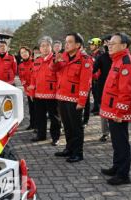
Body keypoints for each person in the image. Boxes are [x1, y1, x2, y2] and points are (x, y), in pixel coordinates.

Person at [100, 33, 131, 185]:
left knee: (121, 142)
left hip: (118, 112)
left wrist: (120, 112)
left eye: (113, 43)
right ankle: (116, 167)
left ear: (124, 46)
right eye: (109, 43)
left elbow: (126, 91)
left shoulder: (126, 63)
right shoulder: (117, 60)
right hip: (112, 109)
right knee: (116, 141)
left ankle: (123, 175)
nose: (109, 45)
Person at [51, 33, 93, 163]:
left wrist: (82, 101)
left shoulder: (85, 59)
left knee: (76, 127)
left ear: (78, 45)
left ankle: (78, 153)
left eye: (69, 42)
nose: (66, 44)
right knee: (67, 126)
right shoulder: (63, 57)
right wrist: (55, 62)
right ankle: (69, 149)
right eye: (66, 41)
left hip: (74, 99)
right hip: (62, 96)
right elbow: (53, 70)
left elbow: (85, 82)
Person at [29, 36, 61, 146]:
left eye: (47, 45)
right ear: (39, 48)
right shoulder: (37, 61)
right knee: (40, 117)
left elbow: (60, 77)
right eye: (42, 46)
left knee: (54, 118)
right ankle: (41, 135)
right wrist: (32, 93)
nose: (45, 48)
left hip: (52, 95)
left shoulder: (55, 60)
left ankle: (55, 137)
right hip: (38, 95)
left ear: (51, 47)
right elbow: (33, 78)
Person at [94, 35, 113, 142]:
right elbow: (93, 69)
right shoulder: (102, 57)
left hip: (116, 90)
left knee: (114, 112)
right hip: (103, 89)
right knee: (103, 112)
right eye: (105, 43)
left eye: (109, 42)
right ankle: (105, 133)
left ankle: (114, 132)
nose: (107, 44)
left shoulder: (119, 57)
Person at [18, 46, 36, 131]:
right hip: (27, 90)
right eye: (22, 53)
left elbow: (36, 76)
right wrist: (23, 82)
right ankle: (32, 124)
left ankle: (38, 126)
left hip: (36, 90)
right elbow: (21, 76)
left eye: (25, 52)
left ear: (29, 52)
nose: (24, 54)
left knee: (37, 109)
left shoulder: (34, 62)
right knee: (31, 109)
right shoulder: (20, 65)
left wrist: (32, 86)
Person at [88, 38, 104, 115]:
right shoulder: (92, 54)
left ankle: (98, 109)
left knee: (98, 94)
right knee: (94, 93)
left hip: (99, 78)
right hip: (93, 77)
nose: (90, 46)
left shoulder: (100, 54)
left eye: (92, 44)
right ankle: (95, 108)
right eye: (90, 44)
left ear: (97, 45)